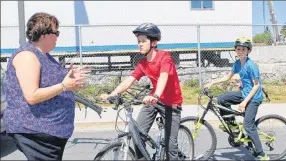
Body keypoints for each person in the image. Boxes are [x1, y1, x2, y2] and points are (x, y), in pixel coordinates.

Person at [3, 12, 90, 160]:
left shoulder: (43, 55)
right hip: (34, 130)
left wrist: (70, 78)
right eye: (56, 32)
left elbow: (50, 83)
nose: (58, 36)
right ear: (44, 35)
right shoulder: (27, 56)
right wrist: (63, 86)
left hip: (48, 132)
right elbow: (32, 95)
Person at [100, 22, 183, 160]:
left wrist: (155, 94)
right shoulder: (143, 63)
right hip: (154, 101)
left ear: (154, 42)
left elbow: (163, 76)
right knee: (137, 136)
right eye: (138, 41)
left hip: (171, 104)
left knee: (170, 147)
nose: (140, 44)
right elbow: (129, 80)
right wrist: (112, 94)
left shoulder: (165, 57)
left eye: (143, 41)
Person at [204, 37, 270, 160]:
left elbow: (256, 86)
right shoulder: (238, 63)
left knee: (248, 126)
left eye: (243, 49)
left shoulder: (252, 65)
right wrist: (212, 82)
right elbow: (228, 77)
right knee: (222, 99)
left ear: (248, 51)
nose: (240, 51)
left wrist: (244, 102)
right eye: (238, 49)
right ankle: (233, 124)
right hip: (244, 93)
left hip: (254, 97)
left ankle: (261, 154)